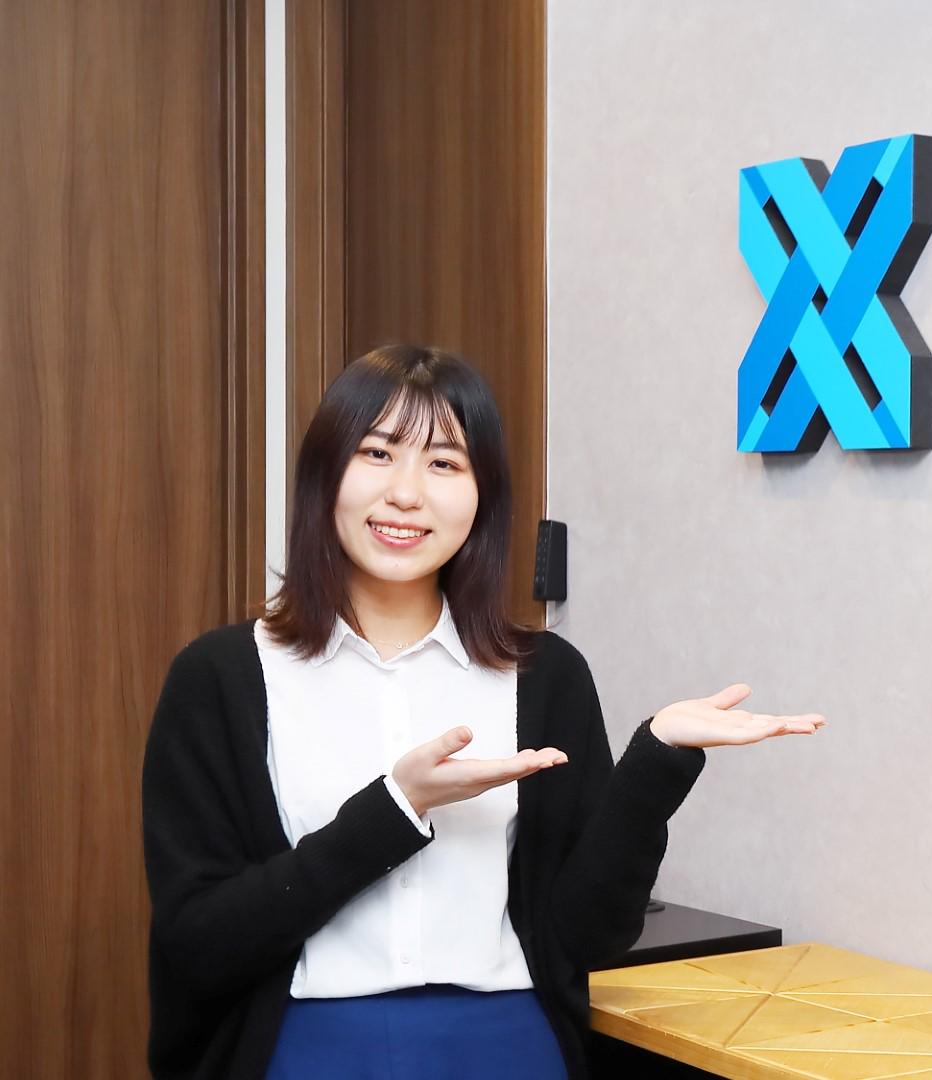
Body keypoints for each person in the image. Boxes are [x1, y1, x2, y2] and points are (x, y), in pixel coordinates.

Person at [141, 344, 825, 1079]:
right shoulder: (221, 678)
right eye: (377, 453)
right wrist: (396, 809)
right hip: (305, 1046)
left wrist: (655, 761)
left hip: (504, 1042)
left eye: (444, 463)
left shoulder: (547, 676)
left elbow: (588, 935)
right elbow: (198, 941)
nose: (406, 493)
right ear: (324, 473)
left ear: (482, 496)